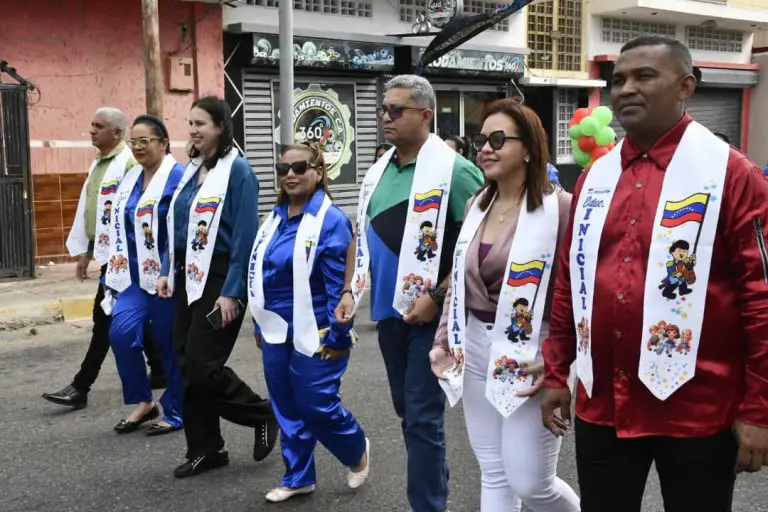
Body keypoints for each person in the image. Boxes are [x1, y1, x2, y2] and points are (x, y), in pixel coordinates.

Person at [541, 35, 768, 512]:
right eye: (618, 79)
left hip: (696, 409)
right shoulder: (595, 177)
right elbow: (569, 282)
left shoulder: (731, 174)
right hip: (604, 401)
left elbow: (761, 298)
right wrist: (558, 371)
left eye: (644, 76)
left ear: (686, 85)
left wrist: (759, 408)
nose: (626, 89)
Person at [336, 75, 484, 512]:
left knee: (421, 418)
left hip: (430, 319)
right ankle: (433, 486)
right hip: (388, 315)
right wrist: (350, 289)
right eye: (383, 109)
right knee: (409, 413)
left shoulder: (456, 170)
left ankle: (428, 504)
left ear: (426, 115)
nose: (386, 117)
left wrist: (436, 297)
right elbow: (360, 235)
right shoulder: (379, 170)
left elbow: (478, 245)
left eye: (396, 110)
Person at [430, 100, 579, 512]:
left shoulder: (562, 209)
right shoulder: (477, 204)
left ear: (529, 147)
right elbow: (459, 282)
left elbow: (579, 293)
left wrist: (560, 361)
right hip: (475, 349)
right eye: (481, 140)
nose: (485, 149)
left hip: (532, 351)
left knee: (531, 483)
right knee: (494, 473)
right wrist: (444, 340)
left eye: (498, 139)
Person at [156, 96, 277, 478]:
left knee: (202, 366)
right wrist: (166, 269)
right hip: (187, 275)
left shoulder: (238, 171)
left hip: (221, 277)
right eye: (190, 123)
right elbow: (177, 224)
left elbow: (244, 236)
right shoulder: (192, 169)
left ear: (221, 127)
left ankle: (262, 413)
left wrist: (232, 291)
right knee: (185, 365)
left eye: (201, 124)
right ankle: (206, 449)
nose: (193, 130)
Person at [249, 143, 370, 503]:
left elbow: (338, 286)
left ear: (318, 172)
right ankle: (298, 476)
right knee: (285, 404)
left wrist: (338, 335)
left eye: (299, 167)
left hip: (316, 327)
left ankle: (355, 449)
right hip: (275, 327)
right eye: (283, 168)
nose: (289, 175)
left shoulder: (330, 220)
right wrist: (259, 324)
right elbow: (261, 278)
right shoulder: (273, 219)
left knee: (316, 403)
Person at [43, 107, 165, 410]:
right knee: (125, 314)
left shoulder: (128, 163)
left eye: (99, 126)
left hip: (124, 257)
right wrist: (86, 252)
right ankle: (161, 367)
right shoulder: (99, 163)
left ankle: (81, 386)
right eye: (92, 125)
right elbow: (93, 211)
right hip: (107, 252)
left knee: (105, 317)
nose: (92, 131)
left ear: (116, 132)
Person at [105, 115, 185, 436]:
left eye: (144, 141)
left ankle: (176, 410)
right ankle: (144, 400)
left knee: (169, 343)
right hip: (134, 276)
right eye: (133, 142)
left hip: (167, 276)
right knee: (121, 334)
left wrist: (169, 268)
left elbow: (182, 230)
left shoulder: (179, 178)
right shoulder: (131, 179)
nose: (137, 147)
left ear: (163, 144)